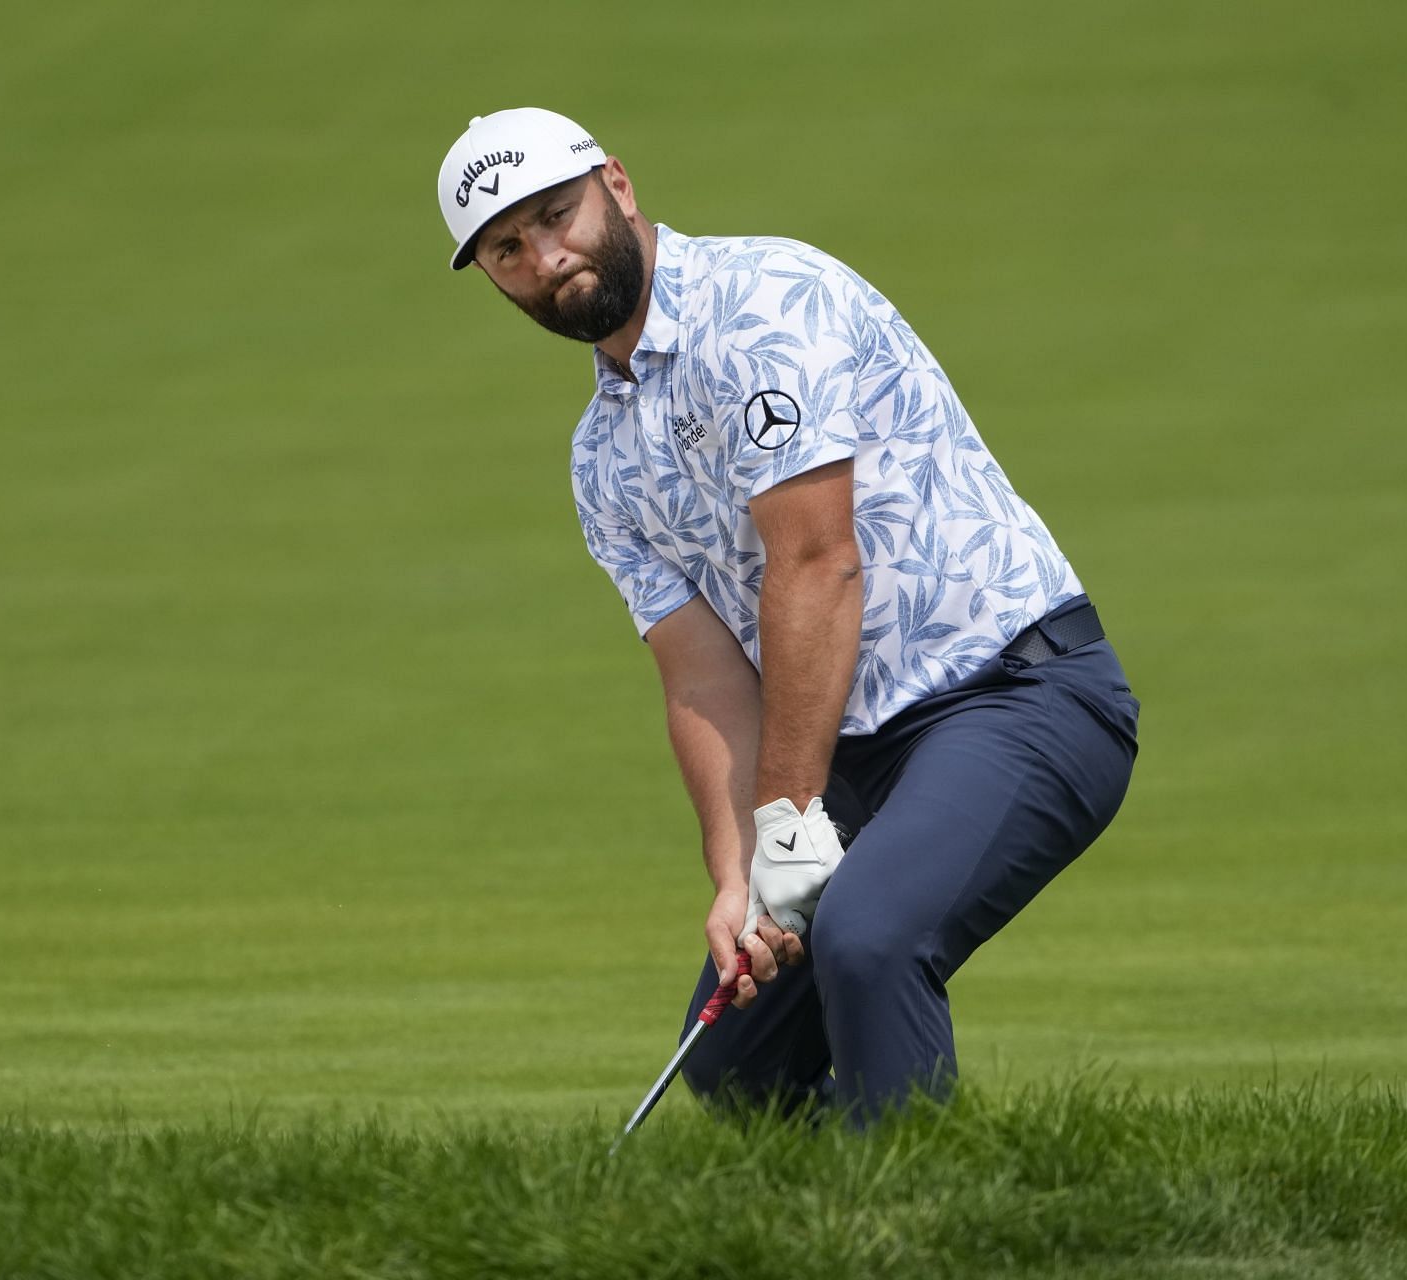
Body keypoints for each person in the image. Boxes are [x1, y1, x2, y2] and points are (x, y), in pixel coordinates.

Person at [435, 108, 1140, 1124]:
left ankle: (918, 1228)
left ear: (618, 188)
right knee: (738, 1059)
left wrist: (789, 822)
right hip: (850, 754)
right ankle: (855, 1215)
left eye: (558, 214)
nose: (548, 256)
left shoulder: (765, 301)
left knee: (869, 935)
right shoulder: (601, 457)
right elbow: (702, 677)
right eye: (509, 247)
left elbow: (816, 563)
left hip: (1016, 693)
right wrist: (741, 878)